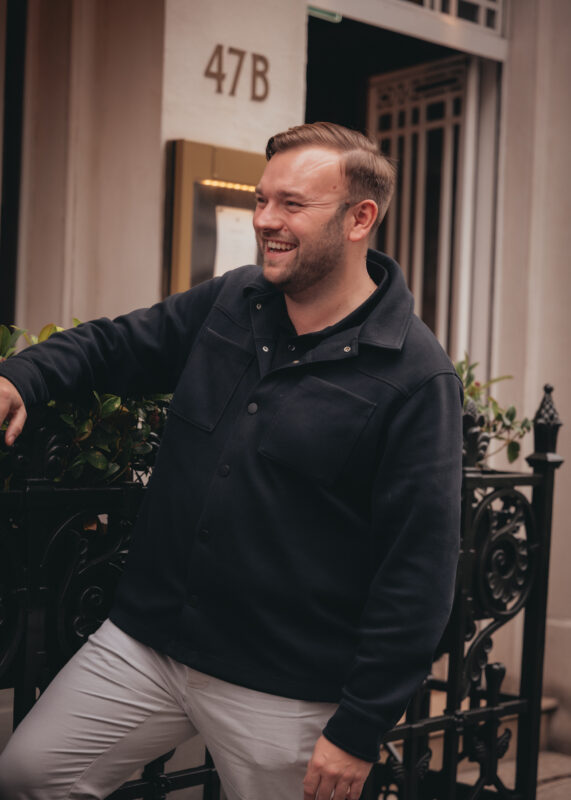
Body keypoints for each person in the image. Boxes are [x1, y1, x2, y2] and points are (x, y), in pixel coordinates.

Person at [0, 122, 463, 800]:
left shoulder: (417, 377)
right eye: (261, 199)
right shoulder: (232, 299)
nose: (266, 220)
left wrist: (359, 727)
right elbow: (114, 346)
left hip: (284, 687)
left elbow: (419, 569)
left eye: (292, 204)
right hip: (147, 646)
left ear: (360, 218)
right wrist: (20, 378)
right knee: (27, 775)